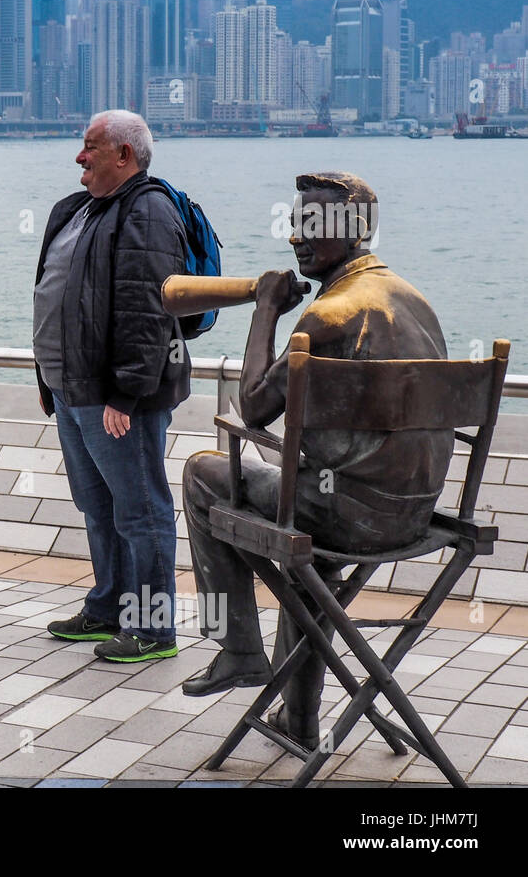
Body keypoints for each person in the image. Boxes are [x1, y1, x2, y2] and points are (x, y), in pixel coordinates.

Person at [180, 172, 453, 749]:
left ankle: (239, 650)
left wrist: (265, 307)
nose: (295, 237)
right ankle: (300, 721)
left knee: (203, 472)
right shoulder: (415, 300)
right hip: (415, 512)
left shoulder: (328, 315)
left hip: (351, 515)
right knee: (310, 567)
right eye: (295, 222)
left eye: (311, 225)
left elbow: (254, 409)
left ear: (354, 231)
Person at [38, 110, 190, 663]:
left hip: (118, 397)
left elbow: (144, 312)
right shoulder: (77, 209)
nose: (79, 157)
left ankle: (153, 630)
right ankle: (108, 608)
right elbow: (58, 296)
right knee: (97, 504)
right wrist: (47, 379)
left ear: (124, 155)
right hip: (71, 388)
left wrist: (123, 395)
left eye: (90, 147)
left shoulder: (148, 209)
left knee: (140, 508)